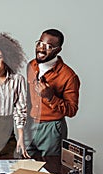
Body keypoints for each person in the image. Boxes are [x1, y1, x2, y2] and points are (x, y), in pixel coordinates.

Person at [26, 28, 80, 157]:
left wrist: (51, 97)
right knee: (26, 166)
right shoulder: (30, 66)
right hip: (30, 124)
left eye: (49, 46)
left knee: (50, 168)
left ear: (58, 50)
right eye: (40, 43)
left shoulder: (69, 76)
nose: (41, 49)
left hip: (52, 129)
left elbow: (72, 110)